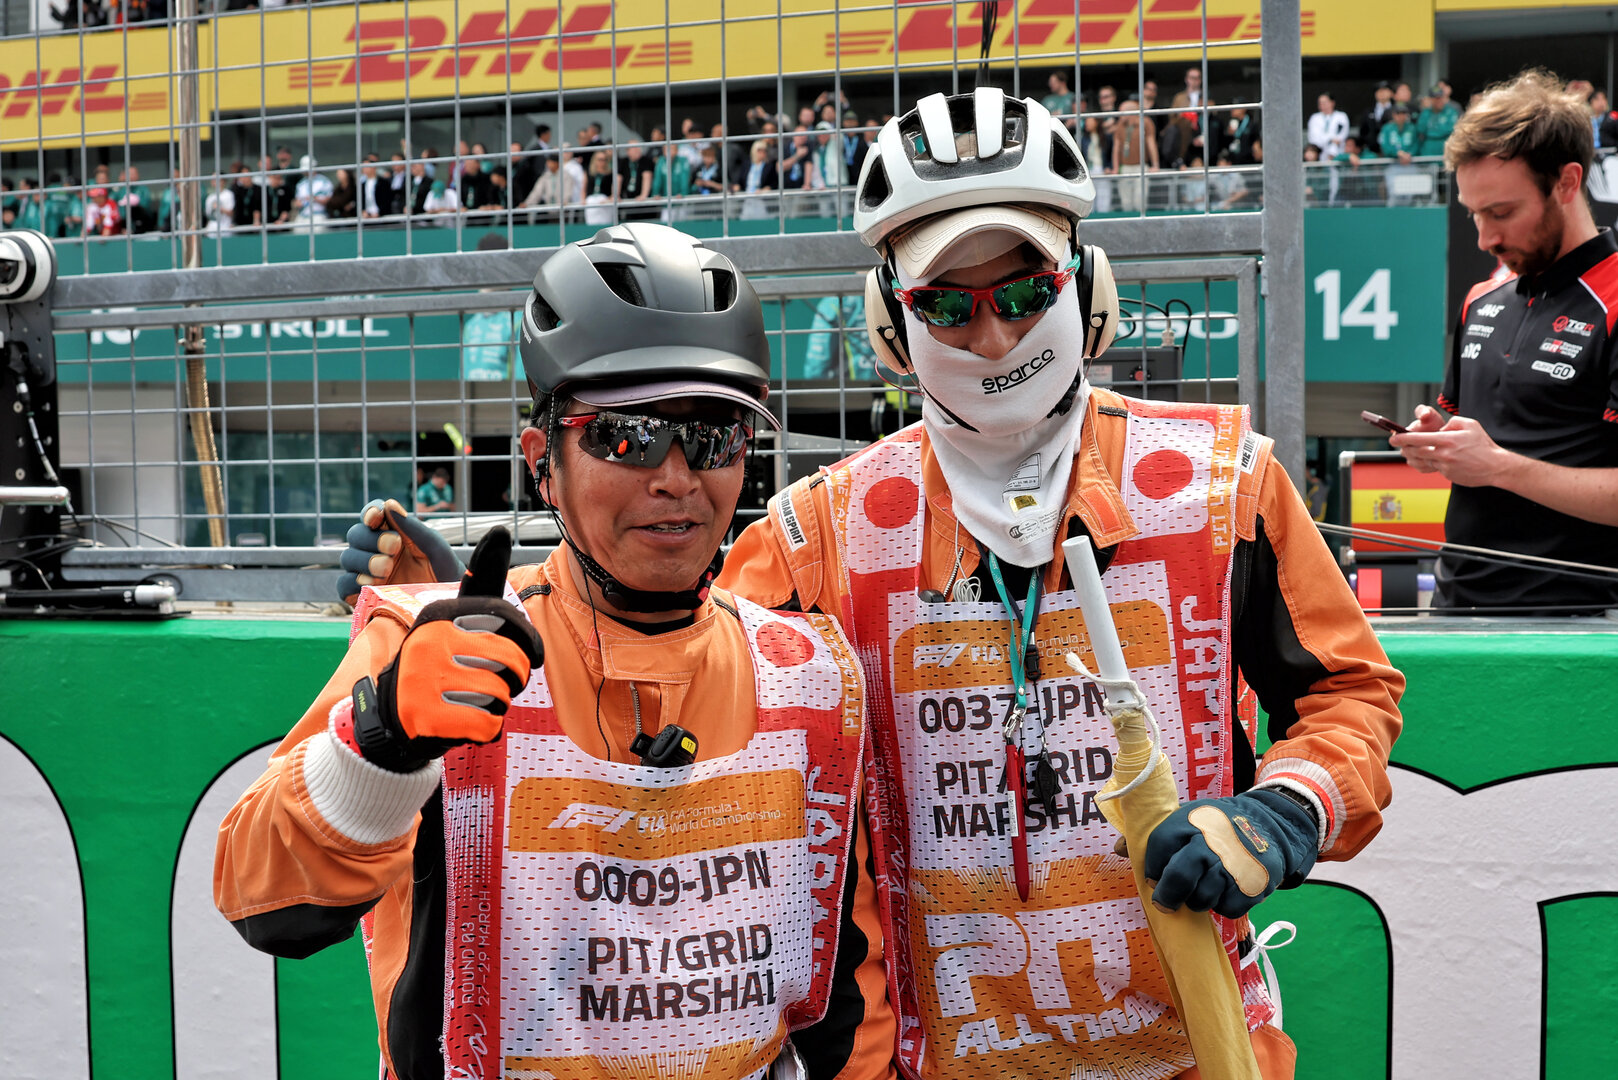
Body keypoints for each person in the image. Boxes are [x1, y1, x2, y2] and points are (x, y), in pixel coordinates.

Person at [723, 89, 1402, 1079]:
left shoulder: (1225, 486)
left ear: (1085, 285)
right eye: (946, 305)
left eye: (1024, 290)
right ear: (889, 320)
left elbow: (1348, 694)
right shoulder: (811, 533)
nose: (992, 335)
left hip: (1195, 1052)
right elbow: (705, 723)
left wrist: (1285, 809)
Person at [223, 223, 892, 1080]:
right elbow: (263, 899)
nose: (677, 477)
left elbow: (847, 996)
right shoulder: (438, 643)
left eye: (715, 435)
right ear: (543, 461)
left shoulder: (806, 672)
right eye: (627, 436)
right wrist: (383, 739)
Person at [1389, 70, 1618, 613]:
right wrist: (1441, 443)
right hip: (1454, 609)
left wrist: (1496, 466)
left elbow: (1501, 460)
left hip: (1582, 625)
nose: (1486, 238)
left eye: (1502, 213)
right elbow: (1498, 440)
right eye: (1474, 214)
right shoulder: (1483, 299)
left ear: (1566, 183)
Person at [1416, 84, 1461, 157]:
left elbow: (1451, 129)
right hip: (1428, 150)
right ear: (1430, 99)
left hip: (1445, 149)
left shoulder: (1451, 112)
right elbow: (1421, 129)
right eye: (1436, 98)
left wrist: (1432, 131)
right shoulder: (1425, 113)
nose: (1439, 100)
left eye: (1441, 97)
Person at [1306, 91, 1350, 159]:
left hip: (1338, 151)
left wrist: (1332, 140)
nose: (1322, 105)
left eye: (1324, 102)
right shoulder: (1314, 118)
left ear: (1332, 103)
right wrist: (1330, 139)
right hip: (1319, 152)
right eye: (1320, 103)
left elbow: (1342, 135)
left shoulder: (1341, 116)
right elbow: (1314, 137)